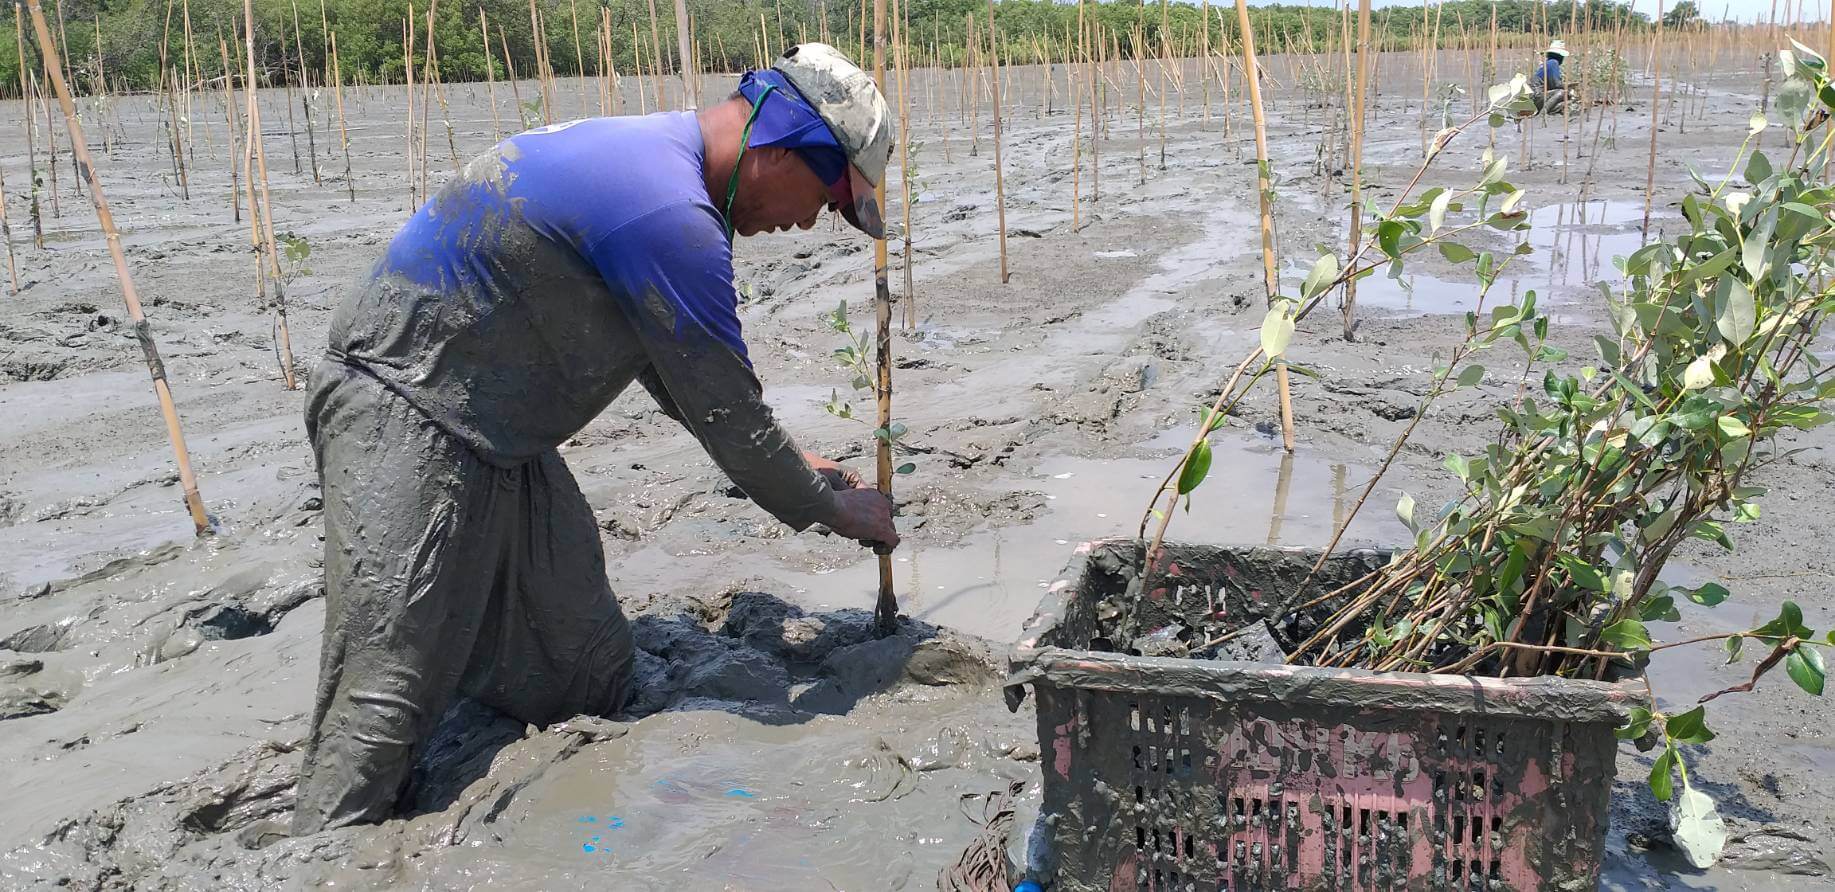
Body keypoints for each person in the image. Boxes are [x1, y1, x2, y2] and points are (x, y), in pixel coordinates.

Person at [291, 43, 901, 834]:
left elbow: (674, 366)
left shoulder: (658, 169)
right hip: (402, 410)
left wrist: (801, 465)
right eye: (823, 198)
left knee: (583, 662)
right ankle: (326, 851)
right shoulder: (669, 212)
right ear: (780, 147)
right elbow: (730, 417)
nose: (804, 221)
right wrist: (837, 512)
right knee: (383, 689)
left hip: (501, 436)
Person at [1531, 40, 1569, 115]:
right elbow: (1556, 85)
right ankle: (1543, 113)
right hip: (1537, 96)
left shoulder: (1547, 63)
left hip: (1535, 98)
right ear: (1560, 56)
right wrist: (1569, 86)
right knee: (1562, 93)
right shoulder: (1553, 63)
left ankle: (1549, 111)